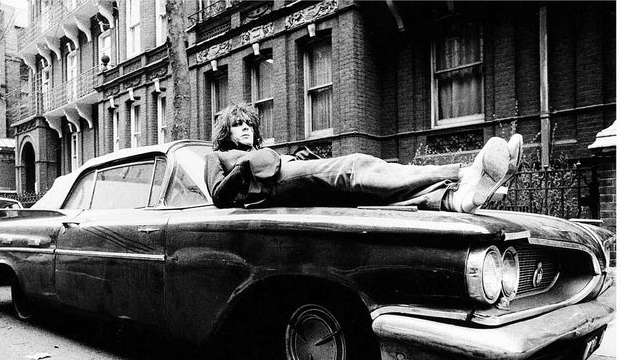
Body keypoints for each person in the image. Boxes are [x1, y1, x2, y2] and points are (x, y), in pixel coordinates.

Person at [204, 103, 522, 212]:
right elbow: (219, 197)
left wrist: (296, 157)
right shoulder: (218, 155)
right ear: (226, 130)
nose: (245, 128)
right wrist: (242, 169)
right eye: (237, 125)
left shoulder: (263, 151)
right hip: (270, 187)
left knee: (366, 192)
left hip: (286, 178)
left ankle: (454, 199)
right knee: (354, 166)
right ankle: (464, 172)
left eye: (248, 123)